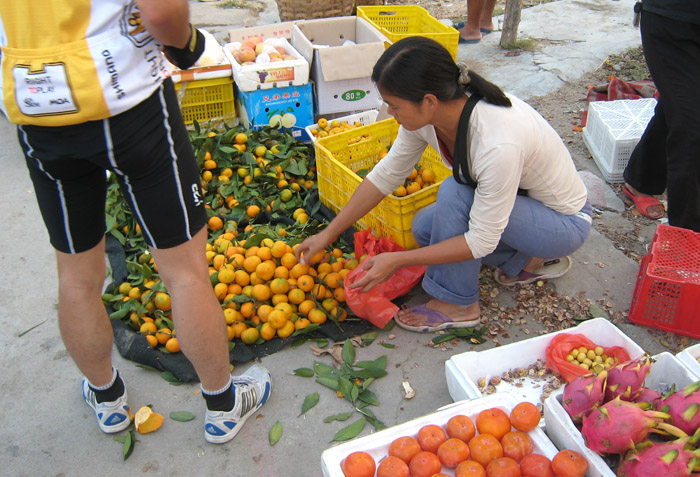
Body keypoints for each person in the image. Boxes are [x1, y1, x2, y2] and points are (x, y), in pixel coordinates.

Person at [0, 0, 271, 443]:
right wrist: (186, 46)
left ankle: (106, 399)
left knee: (76, 275)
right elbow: (162, 14)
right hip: (126, 104)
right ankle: (223, 406)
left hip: (39, 109)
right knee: (184, 274)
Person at [295, 37, 592, 332]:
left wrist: (398, 260)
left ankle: (460, 304)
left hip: (563, 223)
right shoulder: (429, 119)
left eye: (394, 106)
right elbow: (386, 175)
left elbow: (480, 241)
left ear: (428, 101)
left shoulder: (496, 143)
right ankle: (525, 257)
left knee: (455, 193)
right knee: (426, 226)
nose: (390, 113)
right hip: (523, 211)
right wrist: (328, 234)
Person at [621, 0, 700, 232]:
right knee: (692, 128)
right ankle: (687, 237)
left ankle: (640, 179)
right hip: (672, 23)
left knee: (681, 105)